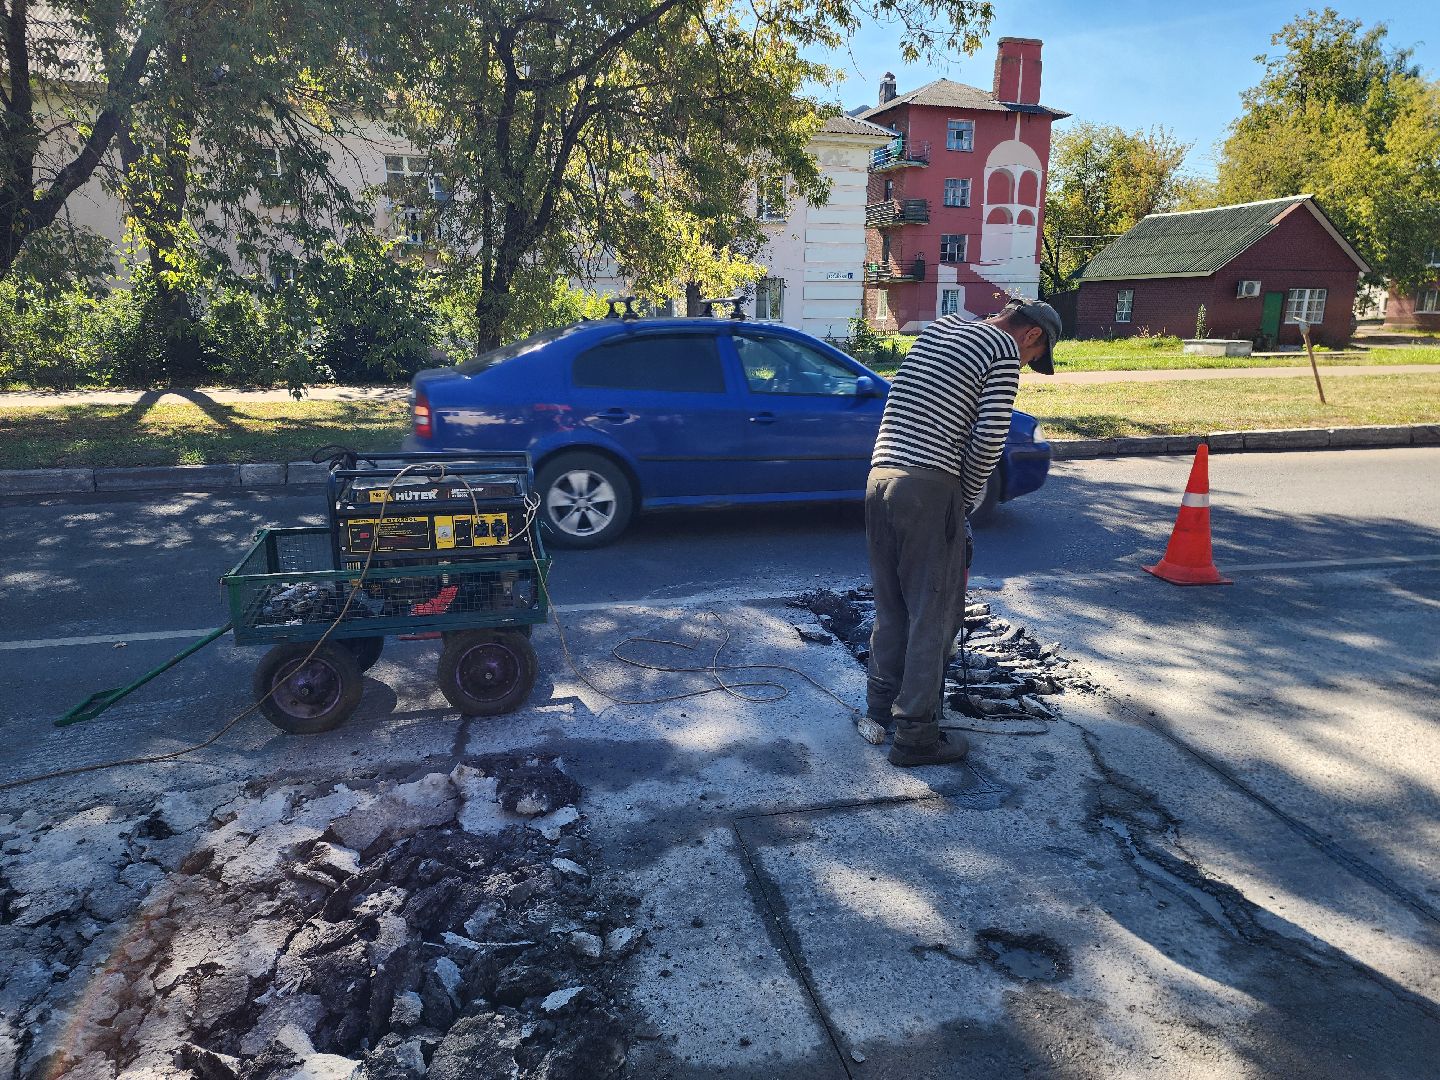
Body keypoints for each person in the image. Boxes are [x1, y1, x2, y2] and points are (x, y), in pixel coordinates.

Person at [863, 297, 1060, 766]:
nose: (1029, 363)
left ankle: (878, 709)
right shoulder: (1002, 349)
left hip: (879, 478)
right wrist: (965, 501)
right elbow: (990, 436)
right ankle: (916, 737)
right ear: (1032, 335)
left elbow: (899, 398)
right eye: (1036, 356)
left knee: (892, 607)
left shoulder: (939, 328)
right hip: (930, 487)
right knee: (933, 614)